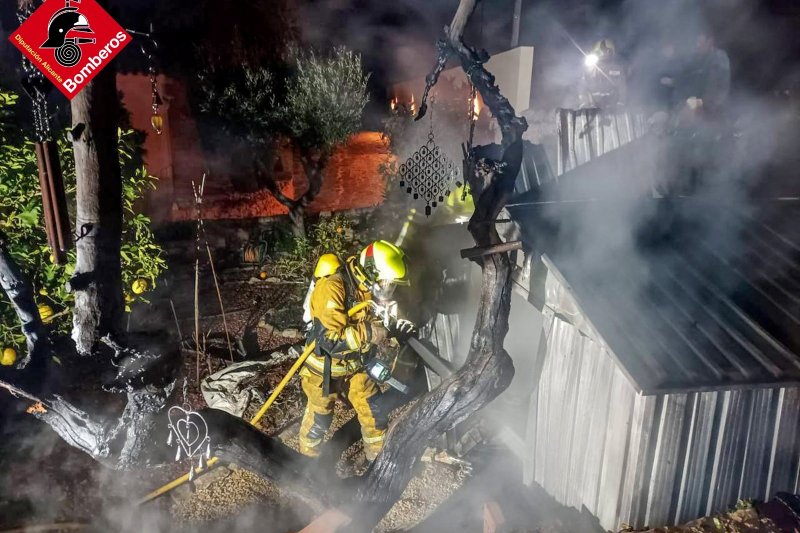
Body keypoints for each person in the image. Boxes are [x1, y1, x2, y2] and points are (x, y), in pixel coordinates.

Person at [298, 240, 415, 461]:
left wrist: (397, 326)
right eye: (388, 284)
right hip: (325, 369)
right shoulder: (332, 288)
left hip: (357, 364)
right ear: (371, 272)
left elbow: (381, 315)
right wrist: (369, 332)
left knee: (375, 411)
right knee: (319, 419)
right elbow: (329, 341)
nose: (390, 290)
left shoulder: (366, 289)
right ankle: (307, 465)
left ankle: (378, 463)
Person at [580, 39, 627, 109]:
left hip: (613, 107)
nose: (602, 54)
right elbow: (582, 88)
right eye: (598, 52)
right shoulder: (590, 70)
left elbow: (622, 87)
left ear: (611, 52)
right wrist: (585, 103)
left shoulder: (617, 69)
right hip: (593, 108)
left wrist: (621, 103)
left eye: (606, 51)